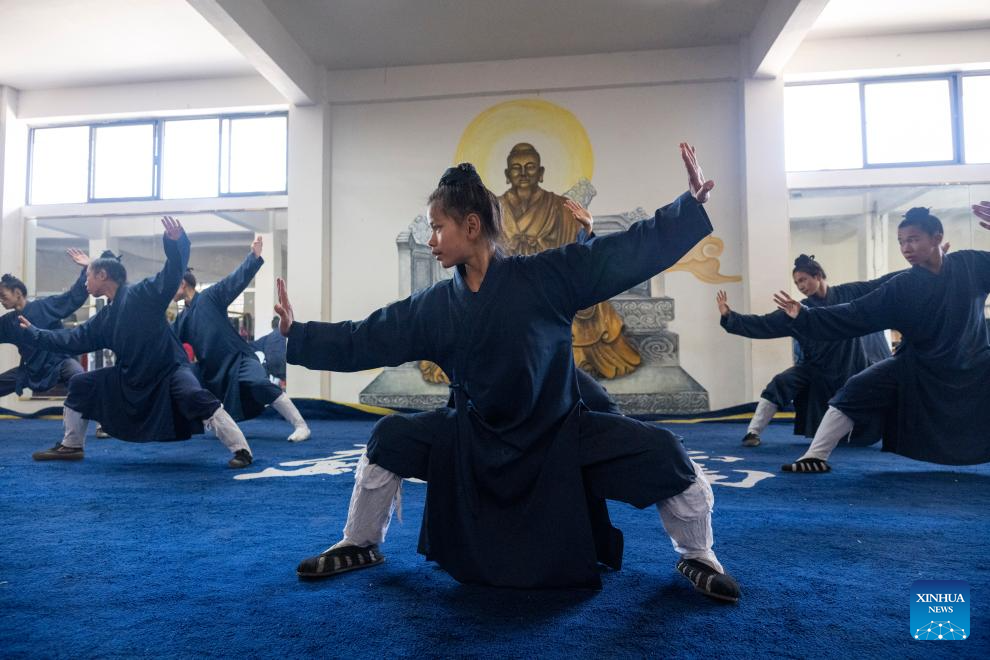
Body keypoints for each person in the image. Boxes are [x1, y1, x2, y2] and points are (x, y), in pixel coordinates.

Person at [281, 144, 740, 601]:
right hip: (472, 441)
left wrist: (688, 212)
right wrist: (298, 335)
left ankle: (697, 554)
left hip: (558, 436)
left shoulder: (546, 276)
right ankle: (360, 543)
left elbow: (621, 254)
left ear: (472, 225)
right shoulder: (435, 307)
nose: (431, 239)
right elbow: (366, 336)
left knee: (664, 450)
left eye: (438, 227)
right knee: (389, 438)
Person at [20, 217, 254, 469]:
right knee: (80, 383)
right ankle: (72, 445)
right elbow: (70, 339)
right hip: (131, 377)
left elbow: (173, 271)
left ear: (102, 275)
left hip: (170, 371)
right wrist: (35, 333)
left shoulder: (141, 294)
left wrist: (176, 243)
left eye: (87, 274)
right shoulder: (105, 319)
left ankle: (242, 450)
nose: (84, 281)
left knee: (194, 395)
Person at [773, 206, 990, 472]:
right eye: (901, 242)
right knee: (854, 389)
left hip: (975, 361)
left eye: (913, 239)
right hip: (918, 365)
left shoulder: (972, 264)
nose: (905, 248)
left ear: (936, 237)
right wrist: (806, 316)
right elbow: (855, 313)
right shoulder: (902, 286)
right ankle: (814, 456)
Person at [717, 255, 897, 447]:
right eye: (796, 283)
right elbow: (765, 324)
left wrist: (917, 272)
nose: (800, 286)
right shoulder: (797, 309)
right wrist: (730, 317)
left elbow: (879, 284)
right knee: (781, 381)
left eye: (803, 280)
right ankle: (753, 432)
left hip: (852, 365)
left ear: (818, 275)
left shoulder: (849, 293)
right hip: (816, 368)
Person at [173, 237, 310, 442]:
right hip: (212, 371)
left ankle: (301, 426)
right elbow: (166, 339)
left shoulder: (210, 297)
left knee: (258, 383)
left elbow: (234, 281)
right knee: (185, 381)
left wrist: (253, 258)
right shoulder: (182, 319)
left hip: (239, 359)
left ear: (183, 283)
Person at [0, 250, 90, 403]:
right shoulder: (8, 322)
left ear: (17, 293)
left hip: (59, 364)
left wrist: (87, 269)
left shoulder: (45, 306)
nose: (1, 301)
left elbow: (73, 297)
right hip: (31, 370)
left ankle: (100, 421)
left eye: (3, 296)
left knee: (79, 378)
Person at [251, 316, 287, 383]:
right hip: (286, 369)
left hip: (272, 370)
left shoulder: (266, 338)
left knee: (264, 365)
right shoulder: (287, 337)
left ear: (272, 326)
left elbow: (251, 346)